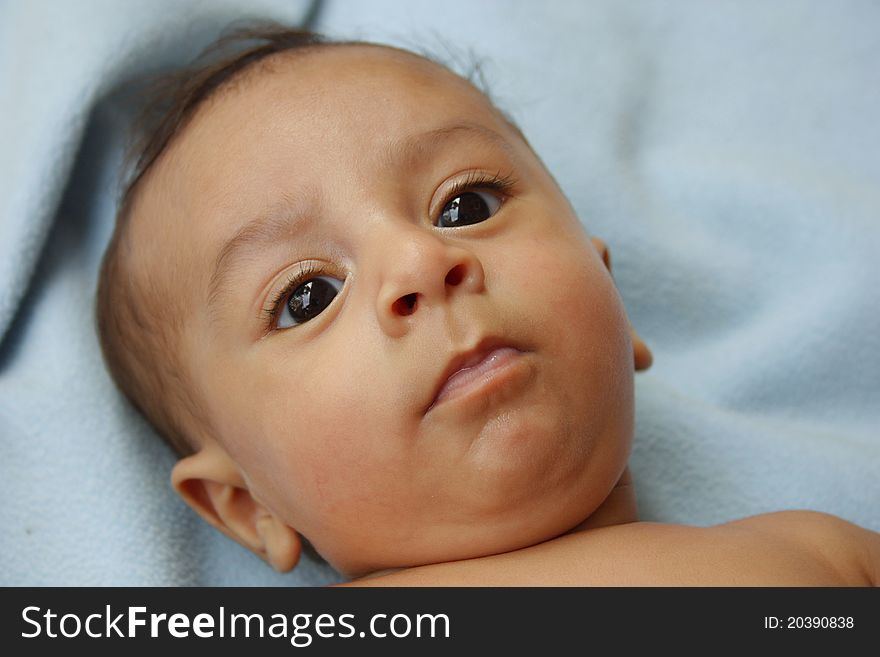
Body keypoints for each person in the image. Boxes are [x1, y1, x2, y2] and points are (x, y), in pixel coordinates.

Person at [95, 26, 879, 585]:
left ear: (617, 301)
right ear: (245, 503)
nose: (424, 262)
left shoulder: (817, 564)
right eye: (307, 296)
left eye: (465, 205)